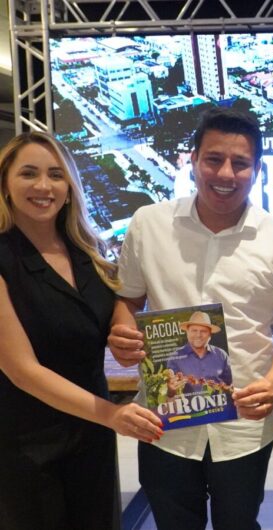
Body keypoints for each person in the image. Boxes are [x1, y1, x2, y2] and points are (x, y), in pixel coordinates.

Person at [108, 108, 273, 530]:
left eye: (240, 163)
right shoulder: (149, 224)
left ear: (257, 170)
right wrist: (122, 332)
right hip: (164, 418)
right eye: (213, 159)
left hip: (243, 423)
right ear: (192, 160)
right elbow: (129, 298)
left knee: (238, 522)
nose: (225, 173)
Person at [0, 132, 163, 529]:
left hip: (92, 436)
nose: (43, 186)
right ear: (5, 184)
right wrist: (113, 415)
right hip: (26, 442)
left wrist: (122, 330)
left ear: (70, 188)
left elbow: (114, 312)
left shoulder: (88, 253)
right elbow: (21, 370)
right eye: (28, 173)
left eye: (56, 175)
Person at [167, 311, 232, 396]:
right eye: (194, 330)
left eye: (203, 331)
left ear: (210, 334)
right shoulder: (175, 358)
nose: (198, 335)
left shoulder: (221, 355)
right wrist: (171, 389)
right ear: (187, 332)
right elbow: (170, 393)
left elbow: (230, 384)